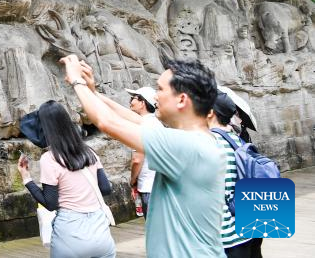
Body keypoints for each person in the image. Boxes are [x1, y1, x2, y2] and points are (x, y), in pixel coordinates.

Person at [59, 54, 223, 258]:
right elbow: (134, 120)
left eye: (161, 89)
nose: (155, 97)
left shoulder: (187, 146)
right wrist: (94, 92)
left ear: (182, 99)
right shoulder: (193, 140)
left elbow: (107, 122)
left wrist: (77, 81)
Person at [18, 100, 116, 258]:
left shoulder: (49, 159)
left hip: (70, 234)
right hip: (100, 233)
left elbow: (50, 203)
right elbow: (105, 188)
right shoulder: (89, 152)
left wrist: (26, 178)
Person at [209, 93, 263, 257]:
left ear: (210, 112)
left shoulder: (213, 142)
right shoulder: (240, 141)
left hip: (226, 235)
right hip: (248, 228)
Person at [125, 86, 157, 218]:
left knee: (153, 228)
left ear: (143, 103)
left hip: (148, 186)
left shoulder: (141, 126)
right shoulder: (156, 122)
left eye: (133, 98)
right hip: (159, 183)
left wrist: (132, 180)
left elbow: (137, 159)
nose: (130, 101)